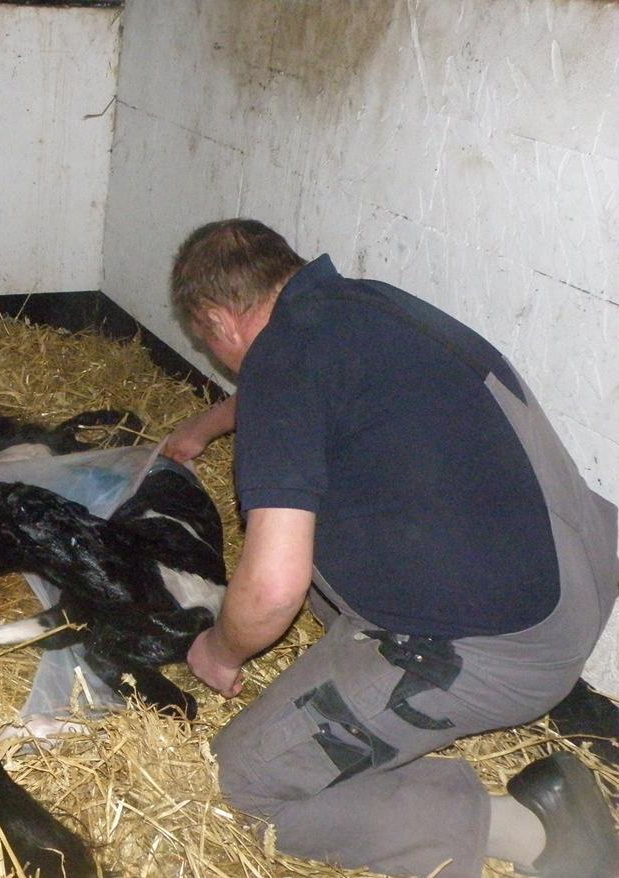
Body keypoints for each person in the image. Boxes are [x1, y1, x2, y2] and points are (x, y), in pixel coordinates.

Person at [161, 219, 618, 878]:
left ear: (216, 321)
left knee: (241, 784)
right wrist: (206, 425)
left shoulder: (283, 362)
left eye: (208, 343)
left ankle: (543, 832)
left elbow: (271, 589)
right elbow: (300, 392)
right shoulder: (363, 307)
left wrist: (222, 649)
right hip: (575, 575)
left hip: (497, 648)